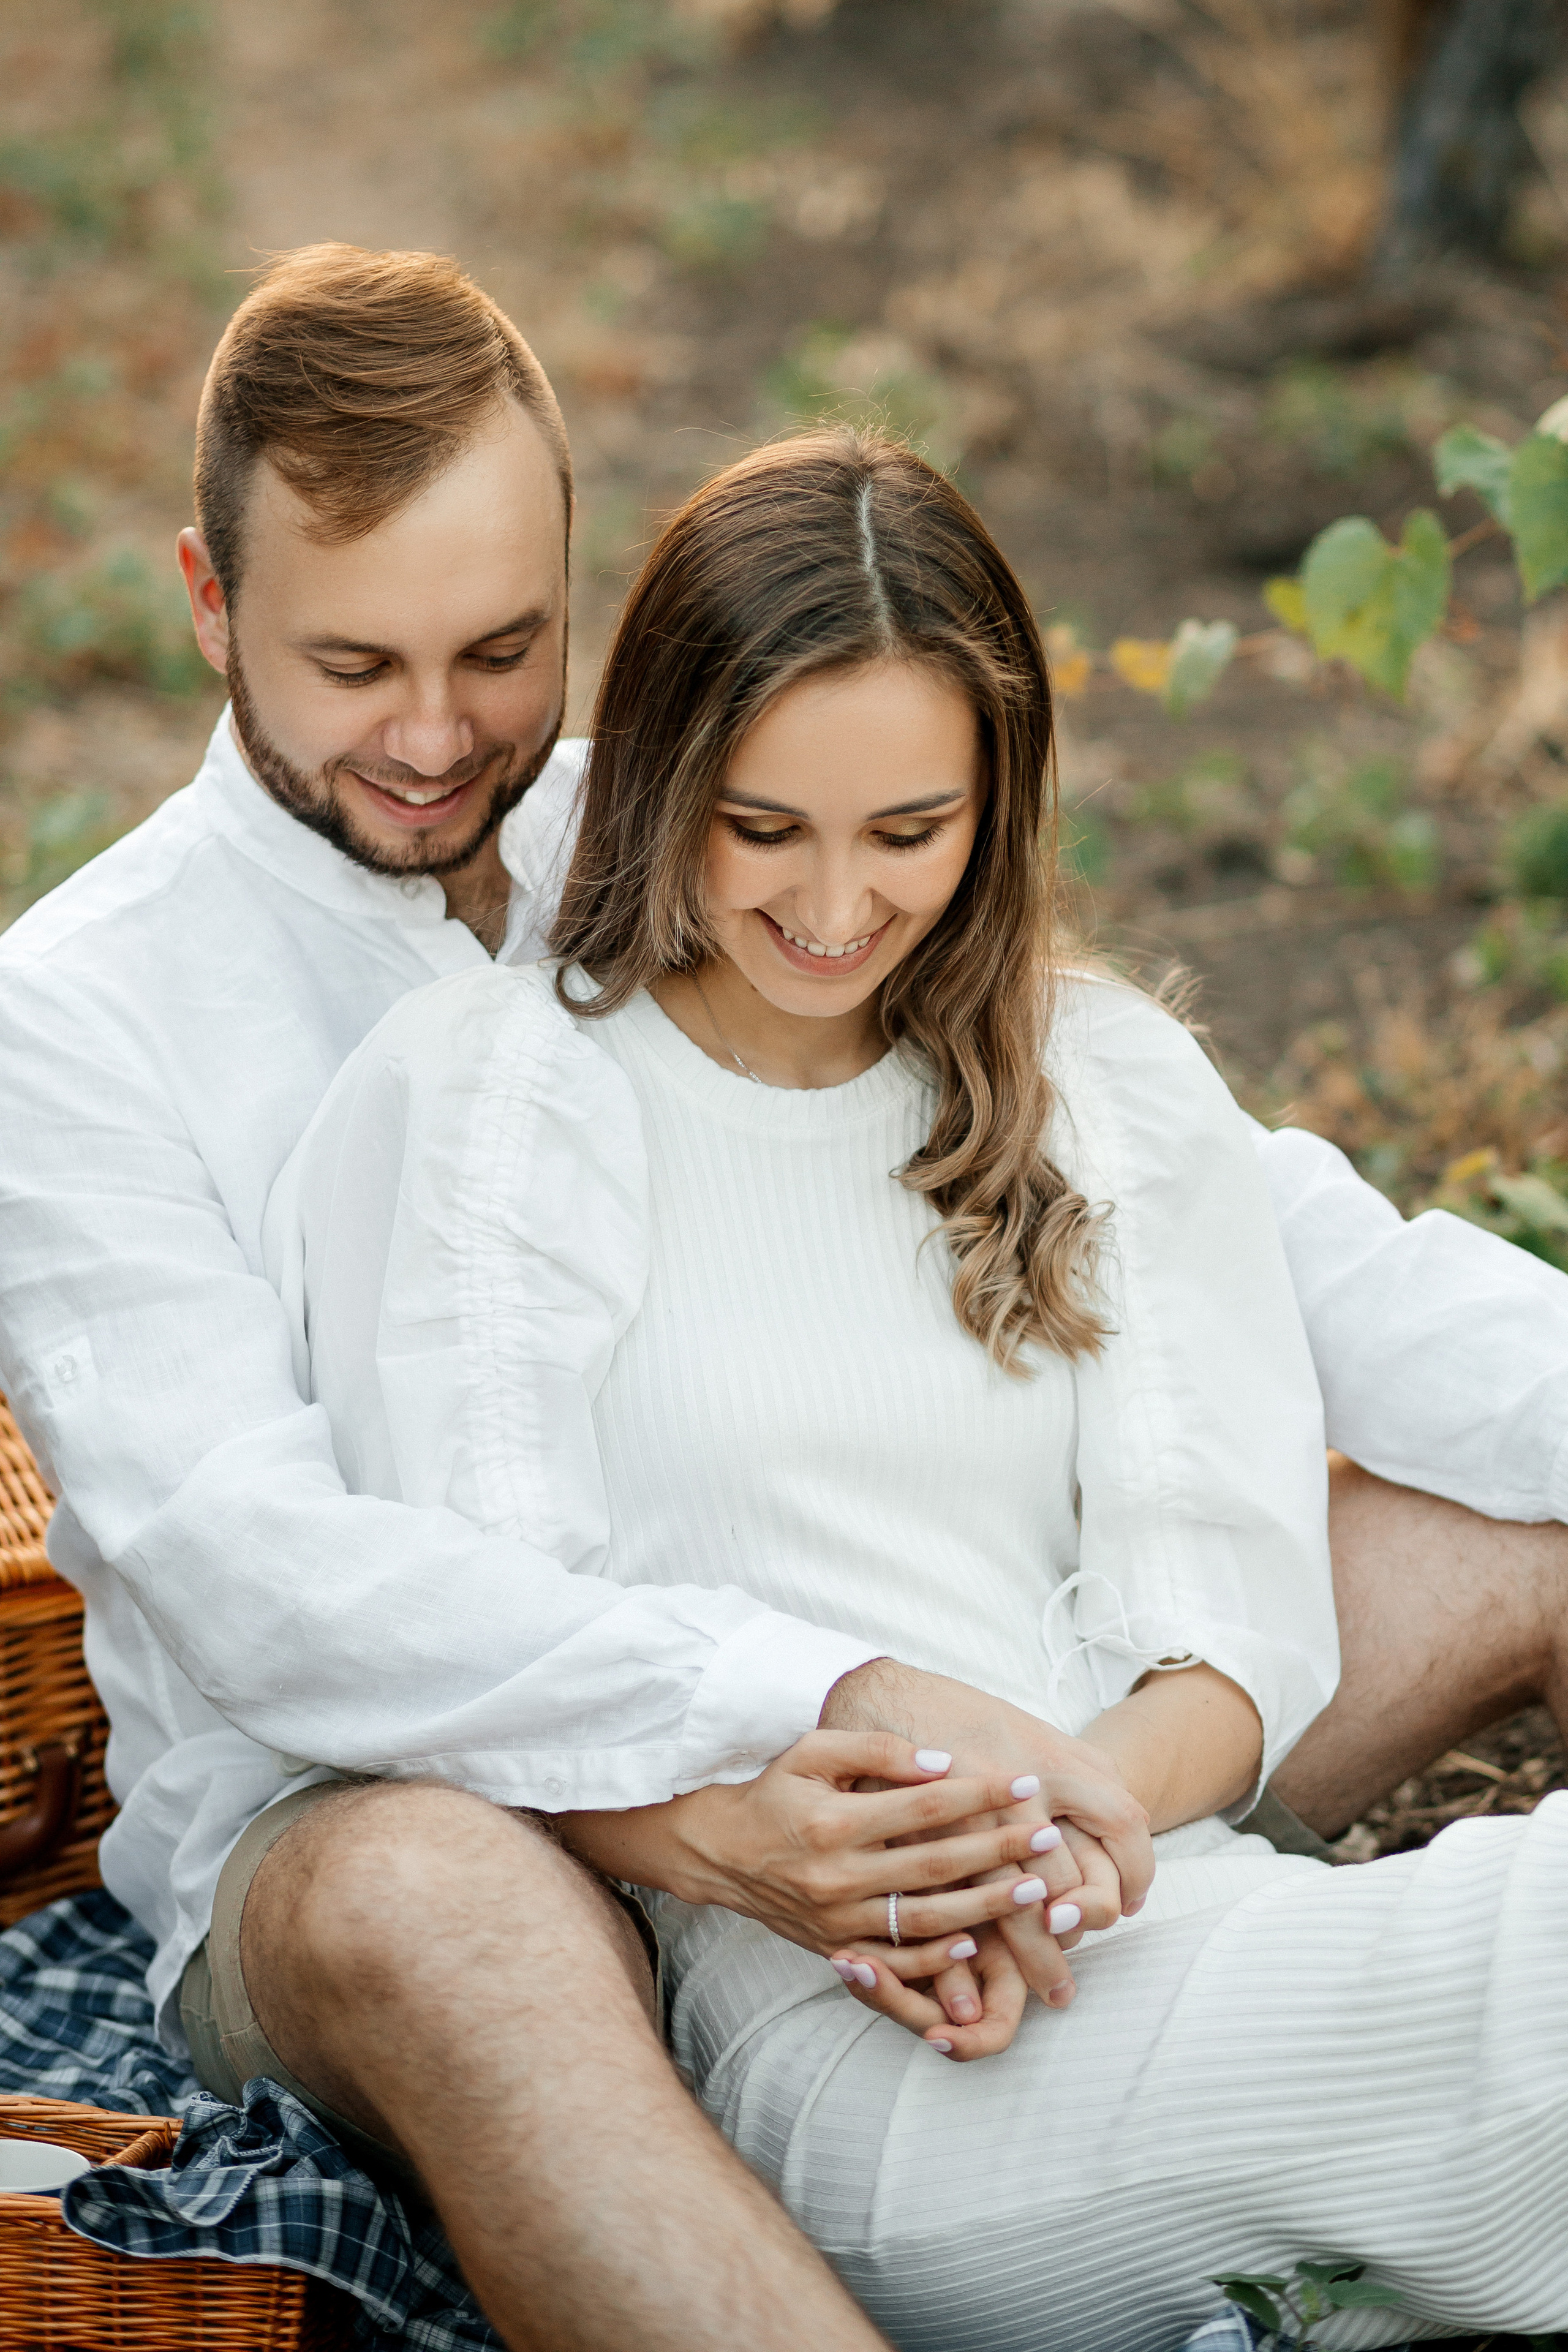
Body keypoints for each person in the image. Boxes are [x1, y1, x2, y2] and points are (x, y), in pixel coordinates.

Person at [0, 242, 1561, 2345]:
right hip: (370, 1808)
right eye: (355, 665)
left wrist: (1002, 1789)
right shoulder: (80, 1016)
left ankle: (1133, 2003)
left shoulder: (718, 809)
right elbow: (260, 1581)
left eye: (505, 648)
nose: (444, 737)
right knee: (453, 1892)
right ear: (209, 603)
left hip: (954, 1743)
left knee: (1507, 1499)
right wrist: (796, 1732)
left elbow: (1239, 1222)